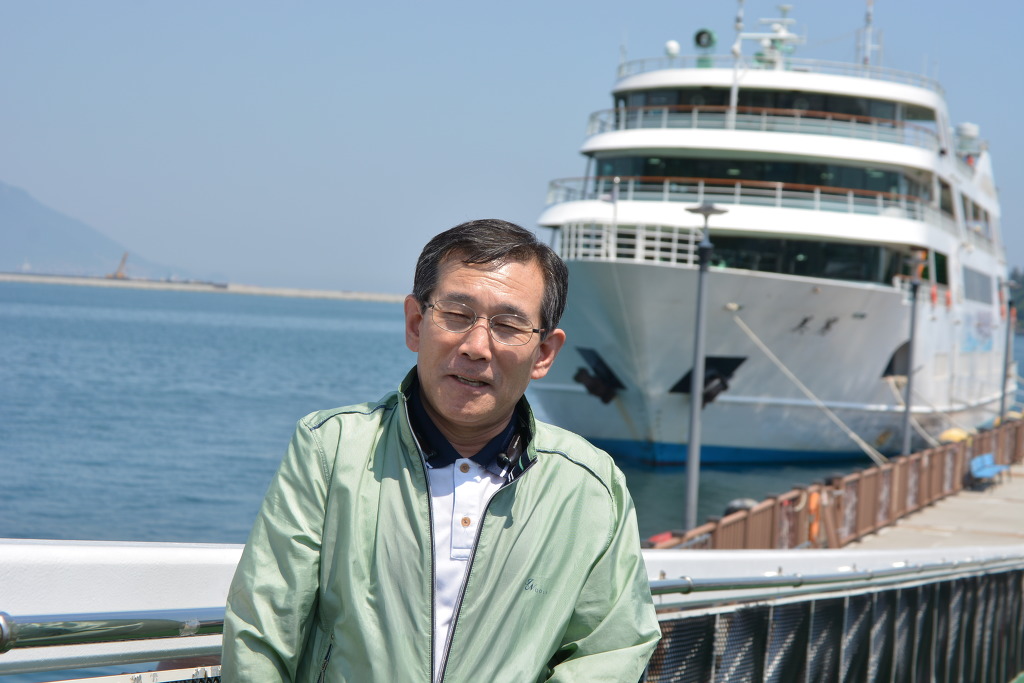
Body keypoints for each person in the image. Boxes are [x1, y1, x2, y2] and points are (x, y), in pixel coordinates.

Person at [222, 219, 661, 682]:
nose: (476, 347)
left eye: (508, 324)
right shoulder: (331, 450)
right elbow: (262, 632)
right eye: (456, 314)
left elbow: (611, 650)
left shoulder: (589, 486)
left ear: (545, 353)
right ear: (416, 324)